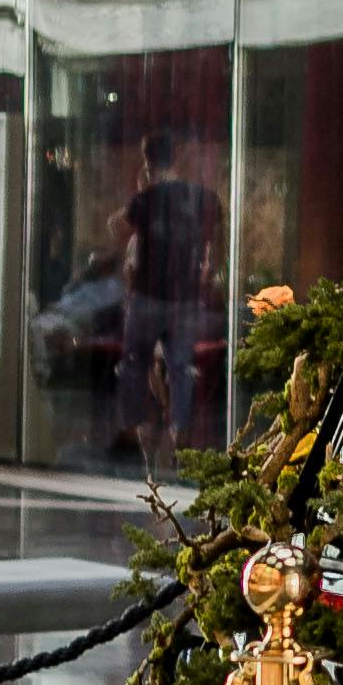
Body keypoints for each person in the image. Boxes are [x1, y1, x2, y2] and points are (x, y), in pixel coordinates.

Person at [115, 131, 210, 460]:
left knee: (134, 363)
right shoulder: (197, 196)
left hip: (148, 295)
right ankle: (179, 429)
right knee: (180, 366)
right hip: (183, 296)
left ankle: (133, 427)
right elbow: (215, 234)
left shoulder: (145, 200)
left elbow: (117, 227)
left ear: (147, 159)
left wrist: (140, 191)